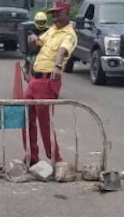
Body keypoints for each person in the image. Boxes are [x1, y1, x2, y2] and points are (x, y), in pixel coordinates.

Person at [24, 1, 77, 165]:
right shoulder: (52, 31)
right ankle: (31, 156)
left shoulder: (69, 34)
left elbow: (63, 50)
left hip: (48, 81)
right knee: (26, 119)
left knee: (44, 122)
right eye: (53, 14)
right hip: (35, 79)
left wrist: (58, 65)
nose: (54, 17)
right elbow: (37, 45)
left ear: (67, 13)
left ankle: (55, 158)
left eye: (58, 13)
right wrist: (32, 40)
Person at [22, 12, 49, 82]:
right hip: (34, 51)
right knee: (32, 59)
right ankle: (27, 69)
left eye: (42, 22)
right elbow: (30, 34)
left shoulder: (49, 30)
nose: (41, 24)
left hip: (46, 51)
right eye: (39, 22)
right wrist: (35, 37)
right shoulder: (31, 29)